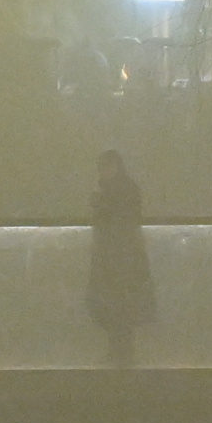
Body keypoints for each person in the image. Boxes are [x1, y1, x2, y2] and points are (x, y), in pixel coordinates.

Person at [85, 149, 155, 370]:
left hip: (121, 258)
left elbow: (115, 219)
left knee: (120, 304)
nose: (102, 172)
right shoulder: (124, 189)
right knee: (116, 304)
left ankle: (123, 353)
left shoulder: (120, 191)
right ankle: (118, 351)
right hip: (117, 257)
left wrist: (97, 201)